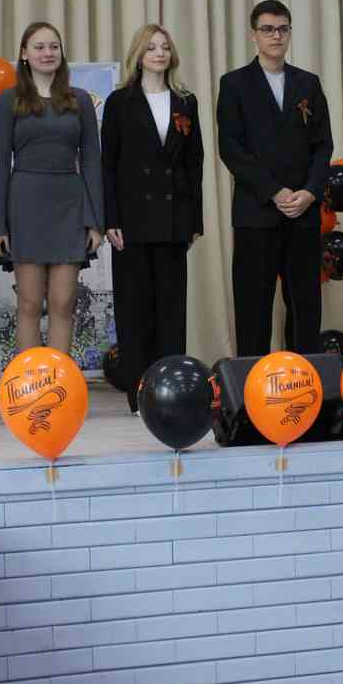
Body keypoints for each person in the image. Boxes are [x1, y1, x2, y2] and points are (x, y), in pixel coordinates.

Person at [217, 0, 333, 359]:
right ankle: (251, 380)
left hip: (303, 211)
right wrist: (274, 191)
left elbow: (323, 145)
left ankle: (305, 378)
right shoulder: (234, 84)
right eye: (267, 29)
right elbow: (231, 148)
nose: (276, 36)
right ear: (254, 35)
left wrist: (310, 192)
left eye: (283, 28)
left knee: (305, 304)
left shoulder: (308, 83)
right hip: (257, 212)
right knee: (253, 306)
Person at [102, 25, 204, 413]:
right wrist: (110, 218)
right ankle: (139, 392)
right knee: (134, 309)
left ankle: (169, 389)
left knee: (171, 308)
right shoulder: (119, 102)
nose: (159, 53)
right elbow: (107, 164)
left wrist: (194, 220)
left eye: (164, 47)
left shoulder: (186, 101)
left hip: (174, 218)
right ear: (139, 55)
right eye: (151, 48)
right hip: (131, 220)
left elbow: (195, 164)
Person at [0, 22, 105, 357]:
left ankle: (57, 380)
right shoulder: (9, 99)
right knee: (28, 302)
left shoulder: (80, 100)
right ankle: (30, 382)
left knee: (63, 302)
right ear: (24, 54)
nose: (47, 53)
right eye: (39, 47)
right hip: (24, 207)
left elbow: (92, 162)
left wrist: (96, 221)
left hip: (70, 206)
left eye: (54, 46)